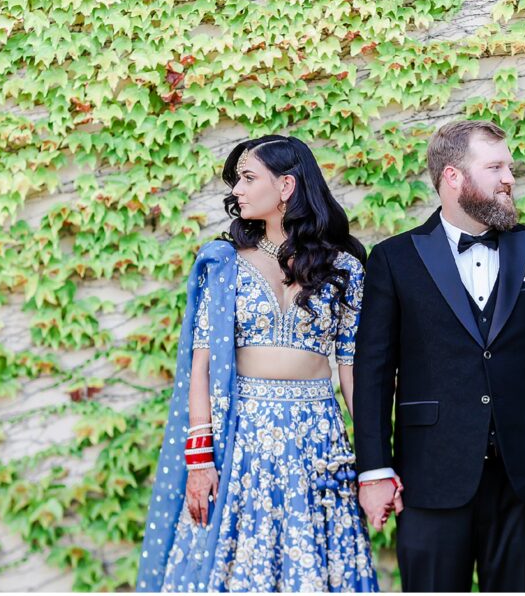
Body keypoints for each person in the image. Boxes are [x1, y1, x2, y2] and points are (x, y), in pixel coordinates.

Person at [353, 119, 525, 592]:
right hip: (429, 475)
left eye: (510, 165)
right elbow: (374, 374)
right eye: (496, 167)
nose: (510, 177)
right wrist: (375, 469)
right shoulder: (394, 259)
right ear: (453, 177)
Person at [137, 135, 380, 592]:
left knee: (316, 561)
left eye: (248, 179)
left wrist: (373, 459)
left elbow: (350, 368)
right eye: (237, 182)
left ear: (286, 186)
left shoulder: (344, 268)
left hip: (317, 439)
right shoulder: (224, 264)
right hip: (242, 439)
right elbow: (202, 369)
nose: (238, 192)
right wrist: (199, 461)